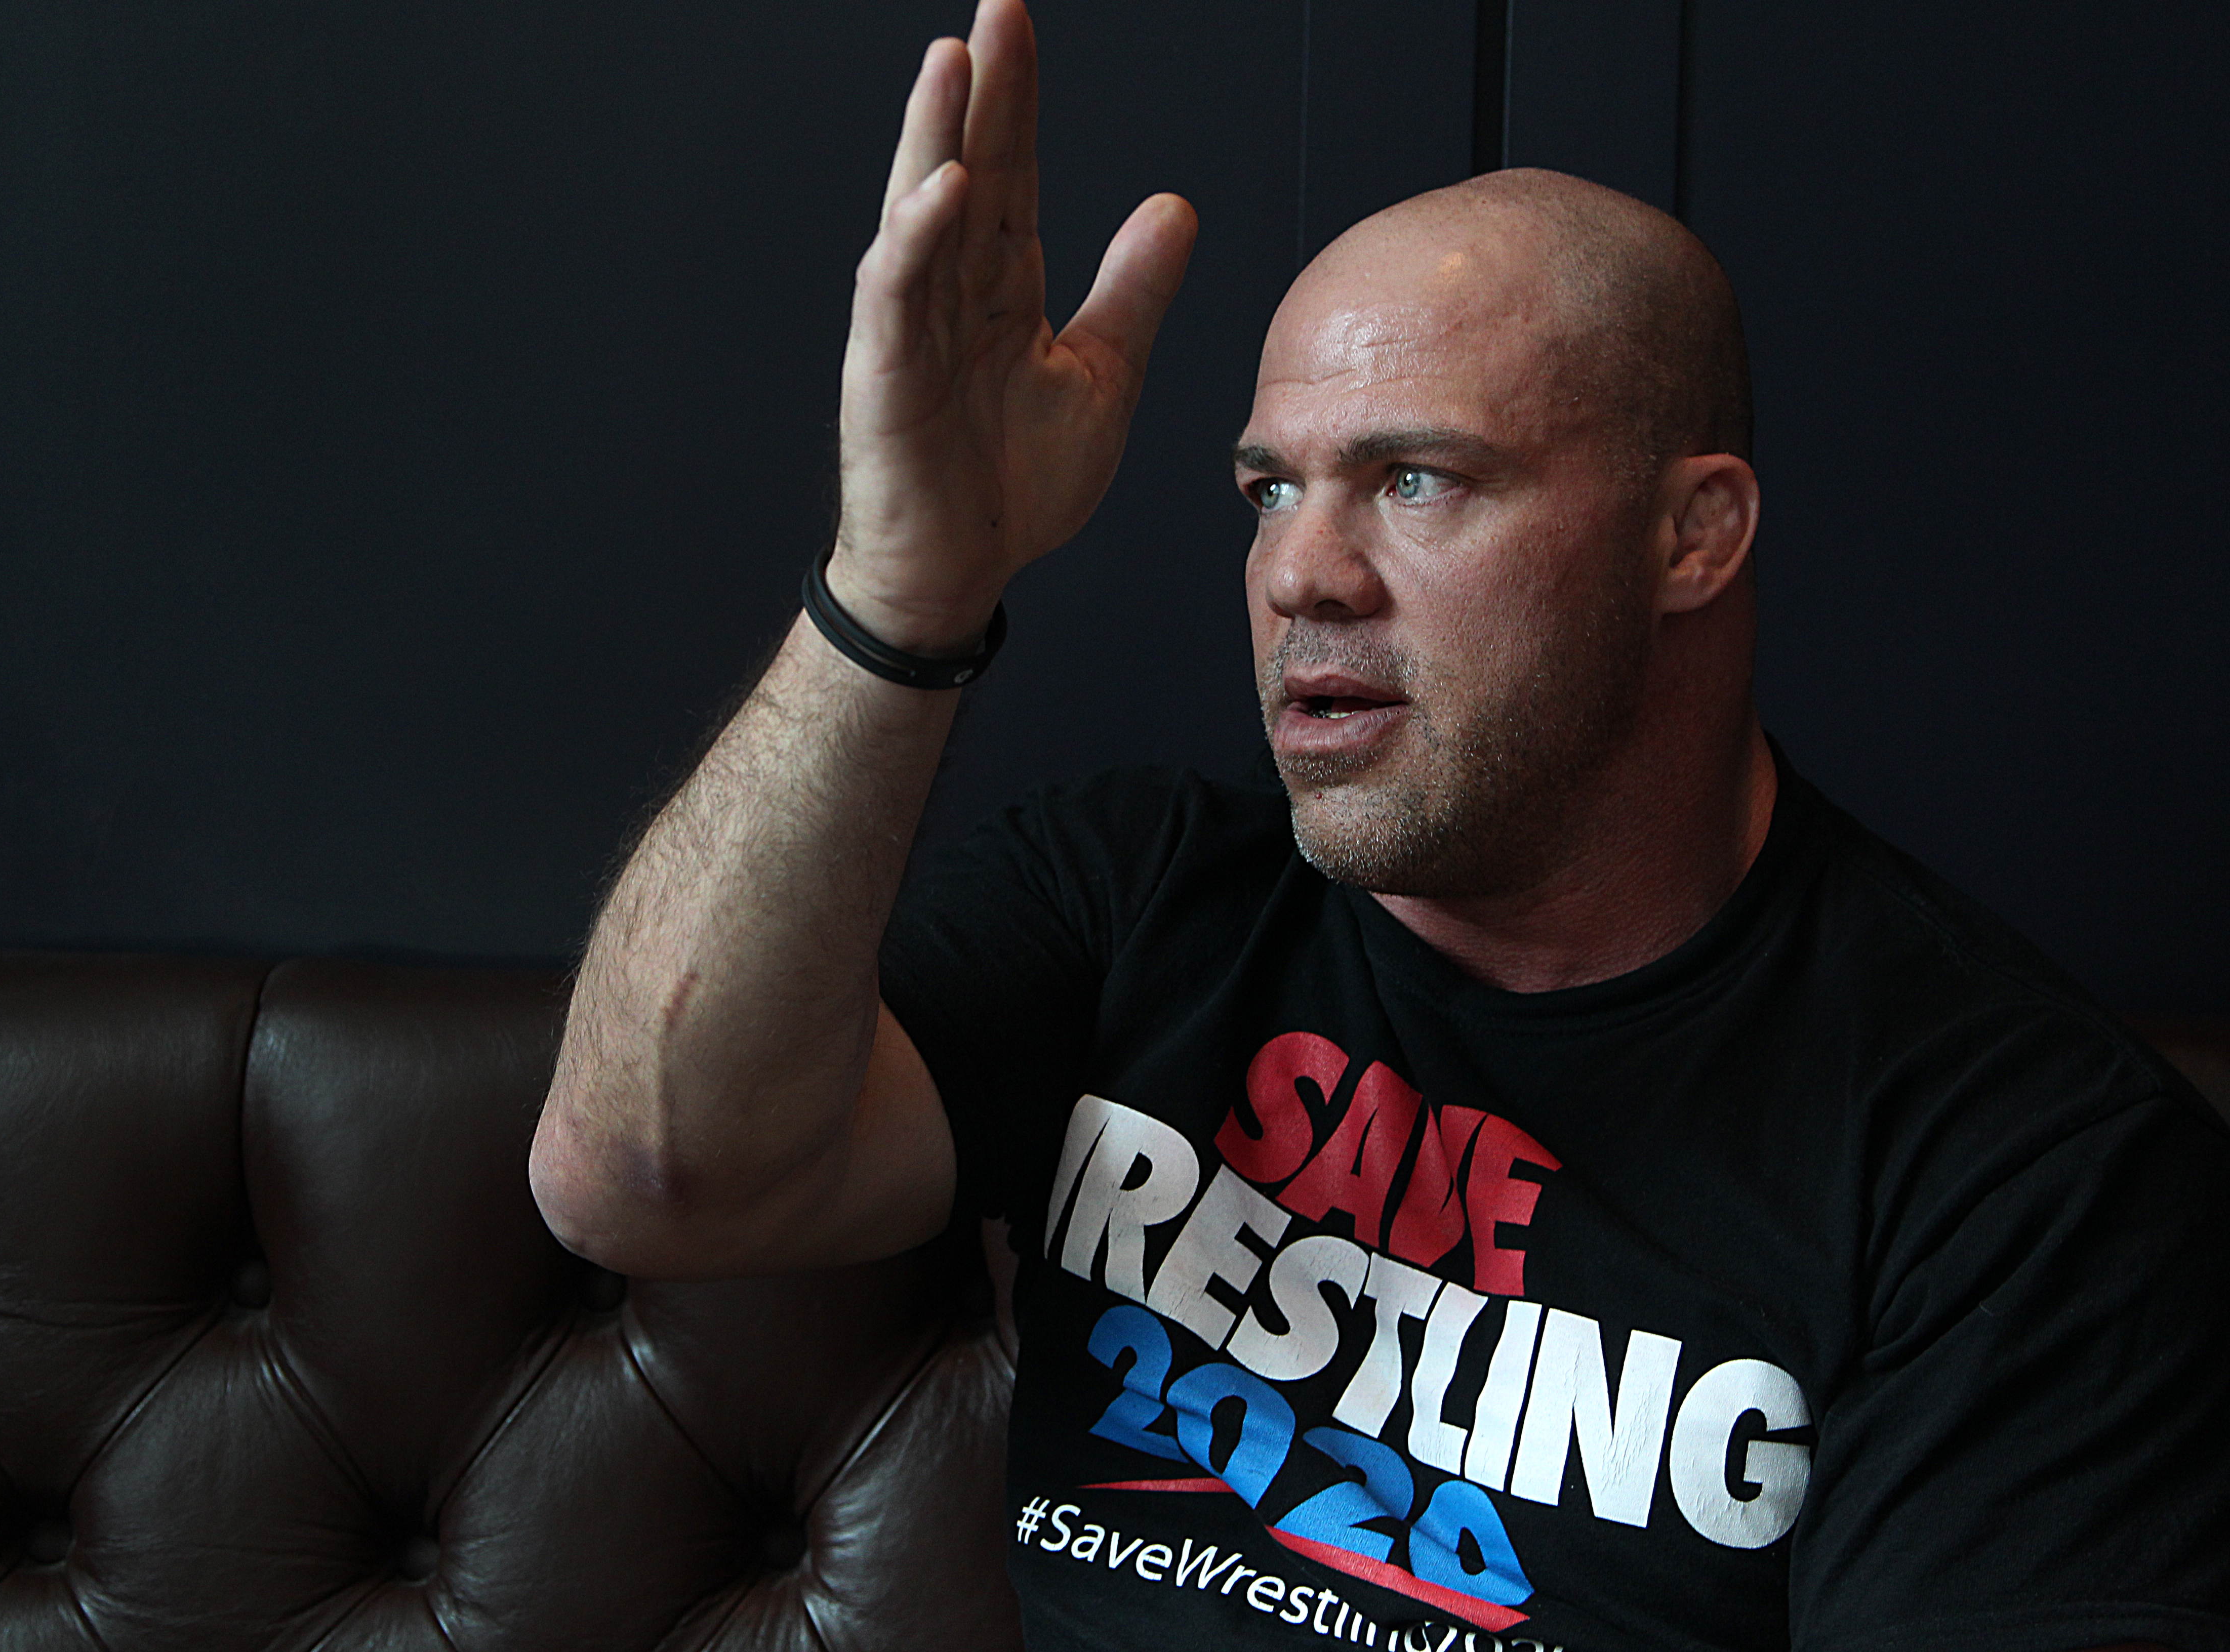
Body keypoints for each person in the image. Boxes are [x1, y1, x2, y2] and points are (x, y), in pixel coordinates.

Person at [526, 3, 2230, 1648]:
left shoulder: (2026, 1168)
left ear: (1692, 538)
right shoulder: (1141, 901)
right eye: (1272, 488)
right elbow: (644, 1176)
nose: (1298, 572)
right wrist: (903, 586)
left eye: (1417, 480)